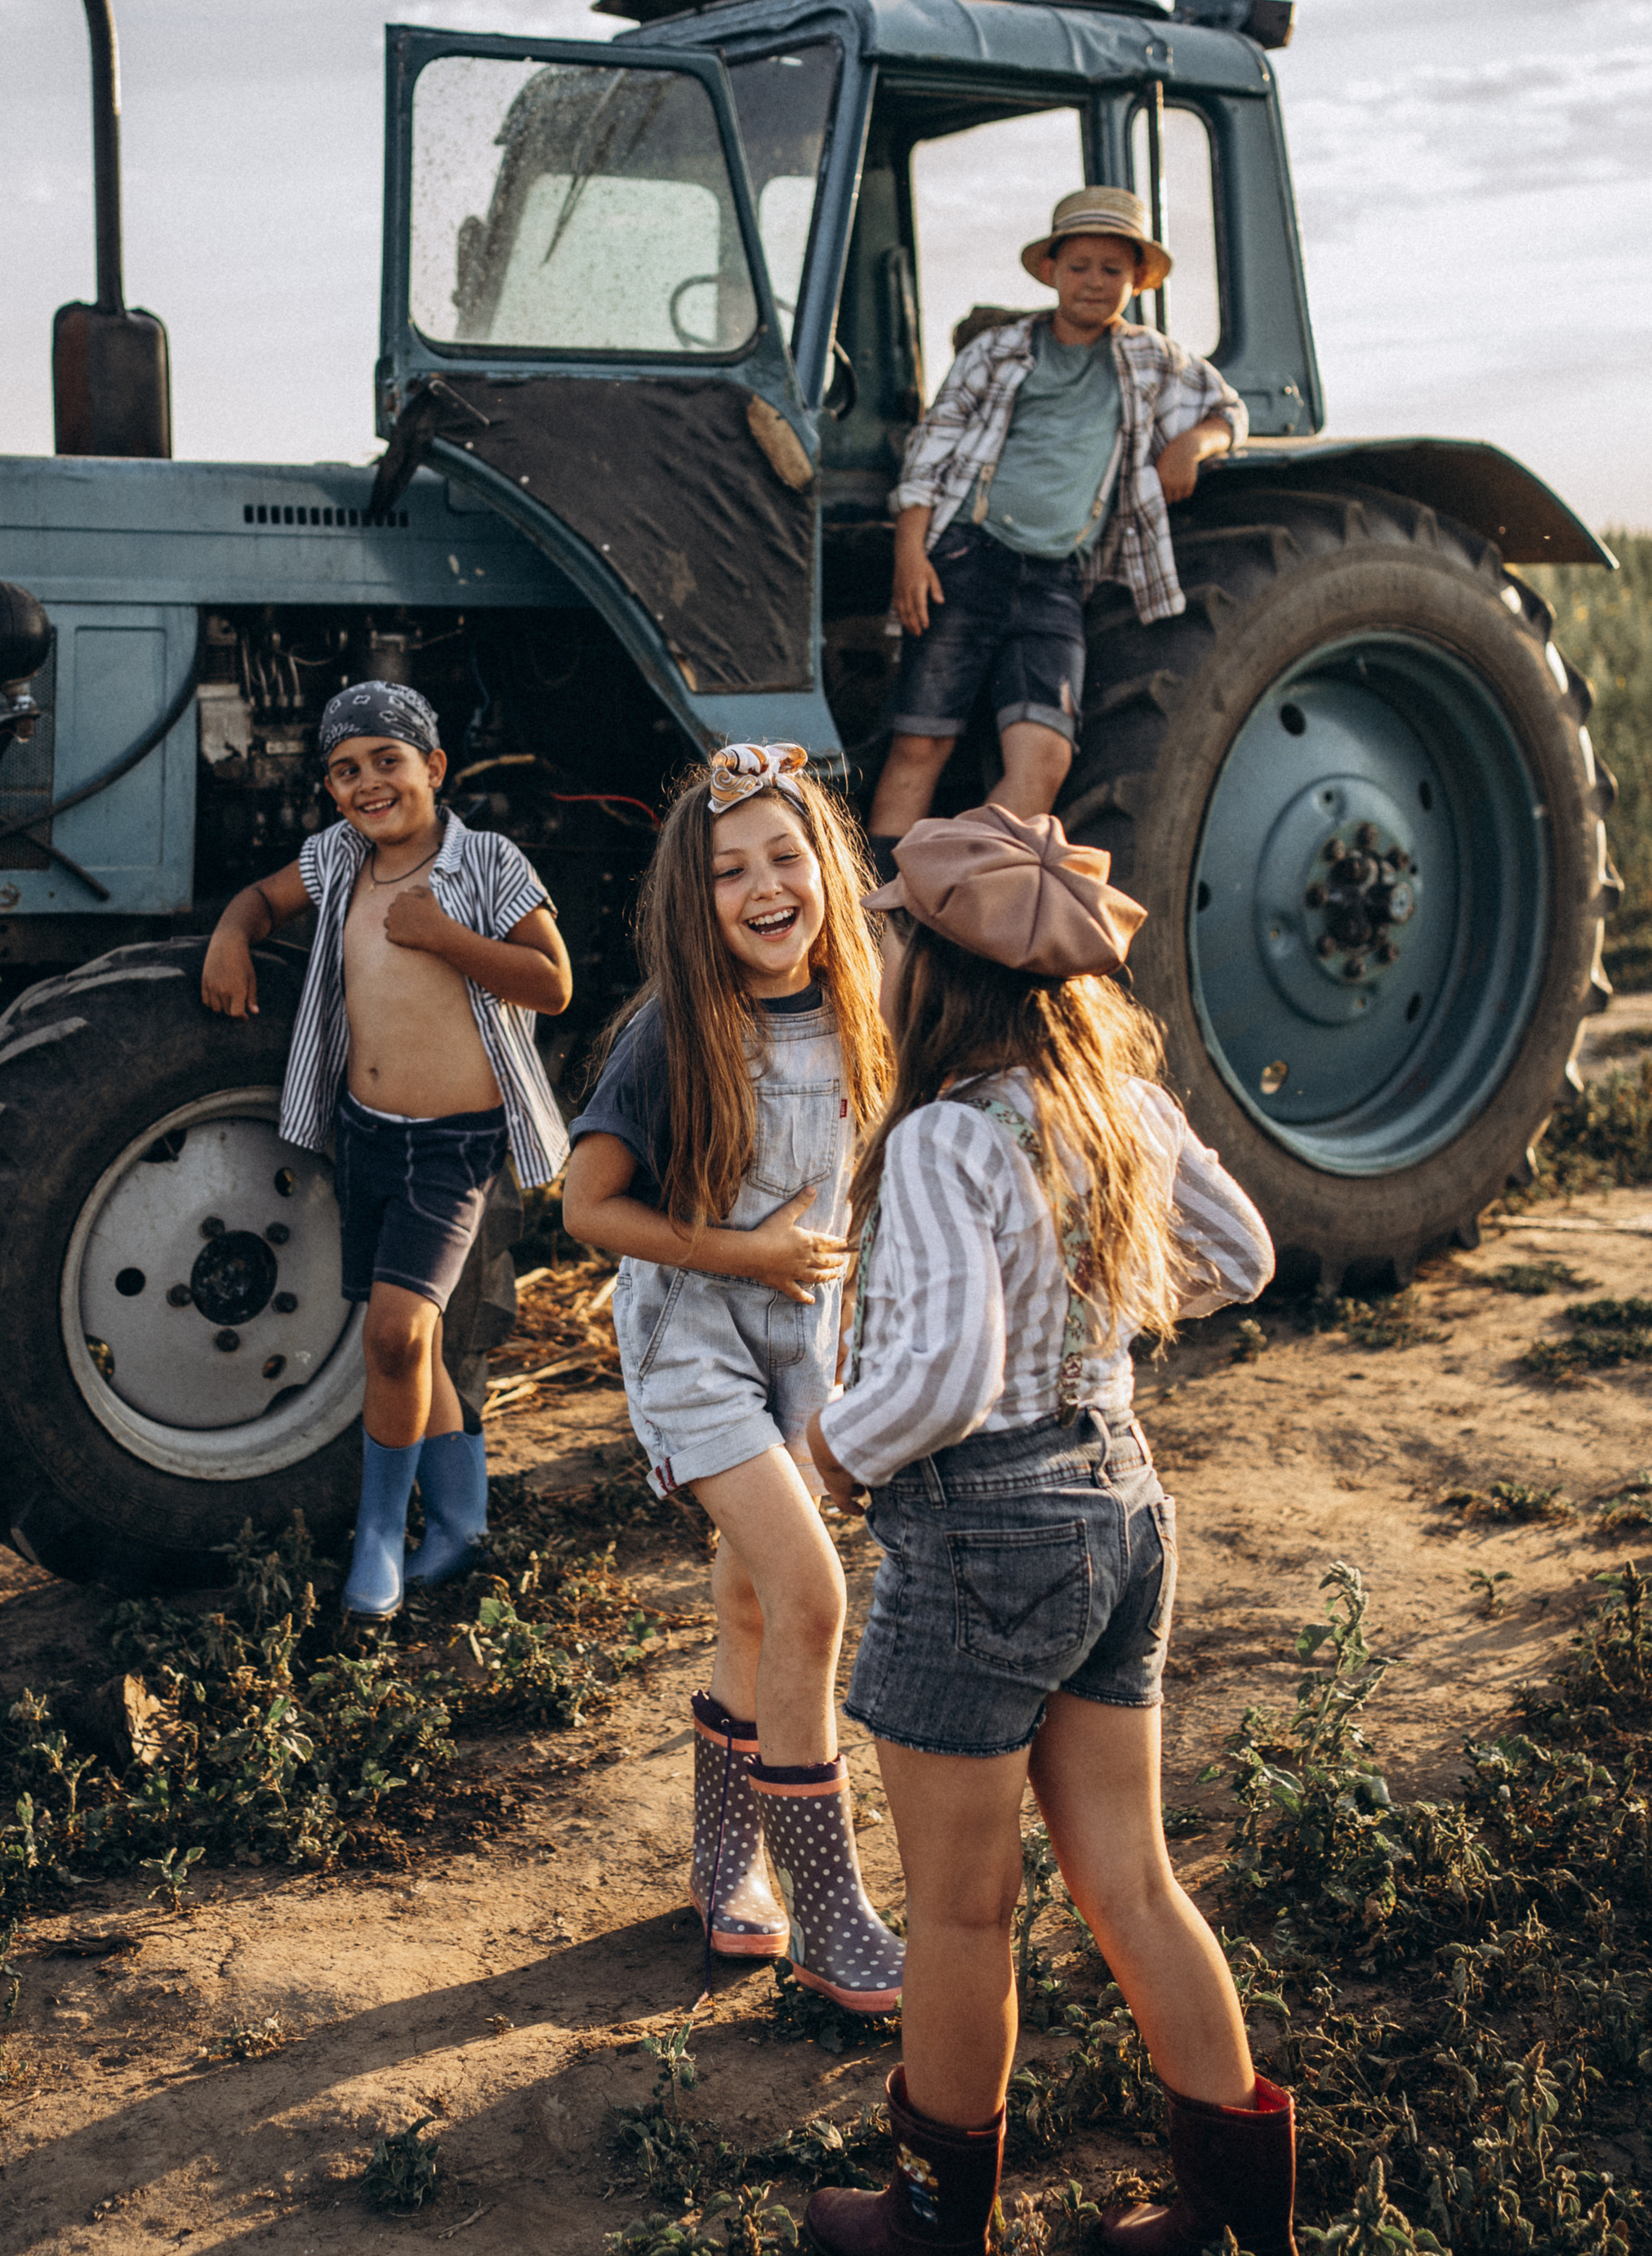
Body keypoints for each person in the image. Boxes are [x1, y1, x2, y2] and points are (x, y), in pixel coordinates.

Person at [800, 805, 1285, 2256]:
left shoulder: (948, 1135)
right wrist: (1101, 1318)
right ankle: (1229, 2226)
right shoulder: (1115, 1106)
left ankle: (934, 2224)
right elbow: (1242, 1257)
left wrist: (837, 1445)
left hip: (989, 1527)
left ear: (940, 973)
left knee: (960, 1913)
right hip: (1120, 1497)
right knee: (1128, 1875)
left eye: (893, 934)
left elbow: (944, 1375)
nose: (877, 954)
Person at [561, 743, 901, 2010]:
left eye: (785, 855)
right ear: (690, 901)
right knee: (809, 1595)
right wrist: (744, 1253)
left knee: (752, 1604)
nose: (765, 887)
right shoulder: (670, 1033)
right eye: (728, 870)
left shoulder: (874, 1007)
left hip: (809, 1337)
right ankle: (833, 1917)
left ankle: (725, 1863)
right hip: (693, 1332)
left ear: (827, 868)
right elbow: (588, 1204)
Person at [201, 680, 572, 1621]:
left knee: (395, 1336)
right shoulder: (335, 859)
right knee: (413, 1343)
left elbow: (552, 982)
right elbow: (259, 897)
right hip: (367, 1135)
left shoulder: (485, 861)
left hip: (453, 1148)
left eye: (386, 760)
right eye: (344, 769)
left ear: (434, 767)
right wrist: (231, 935)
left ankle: (379, 1533)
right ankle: (461, 1519)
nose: (367, 783)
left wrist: (445, 937)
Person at [865, 186, 1247, 875]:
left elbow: (1228, 409)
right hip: (966, 558)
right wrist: (910, 554)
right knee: (920, 745)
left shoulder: (1151, 359)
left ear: (1136, 281)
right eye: (1080, 266)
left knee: (1044, 760)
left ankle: (966, 904)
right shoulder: (1001, 351)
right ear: (1050, 272)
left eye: (1112, 270)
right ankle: (878, 921)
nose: (1095, 282)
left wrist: (1197, 444)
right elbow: (933, 450)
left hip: (1056, 580)